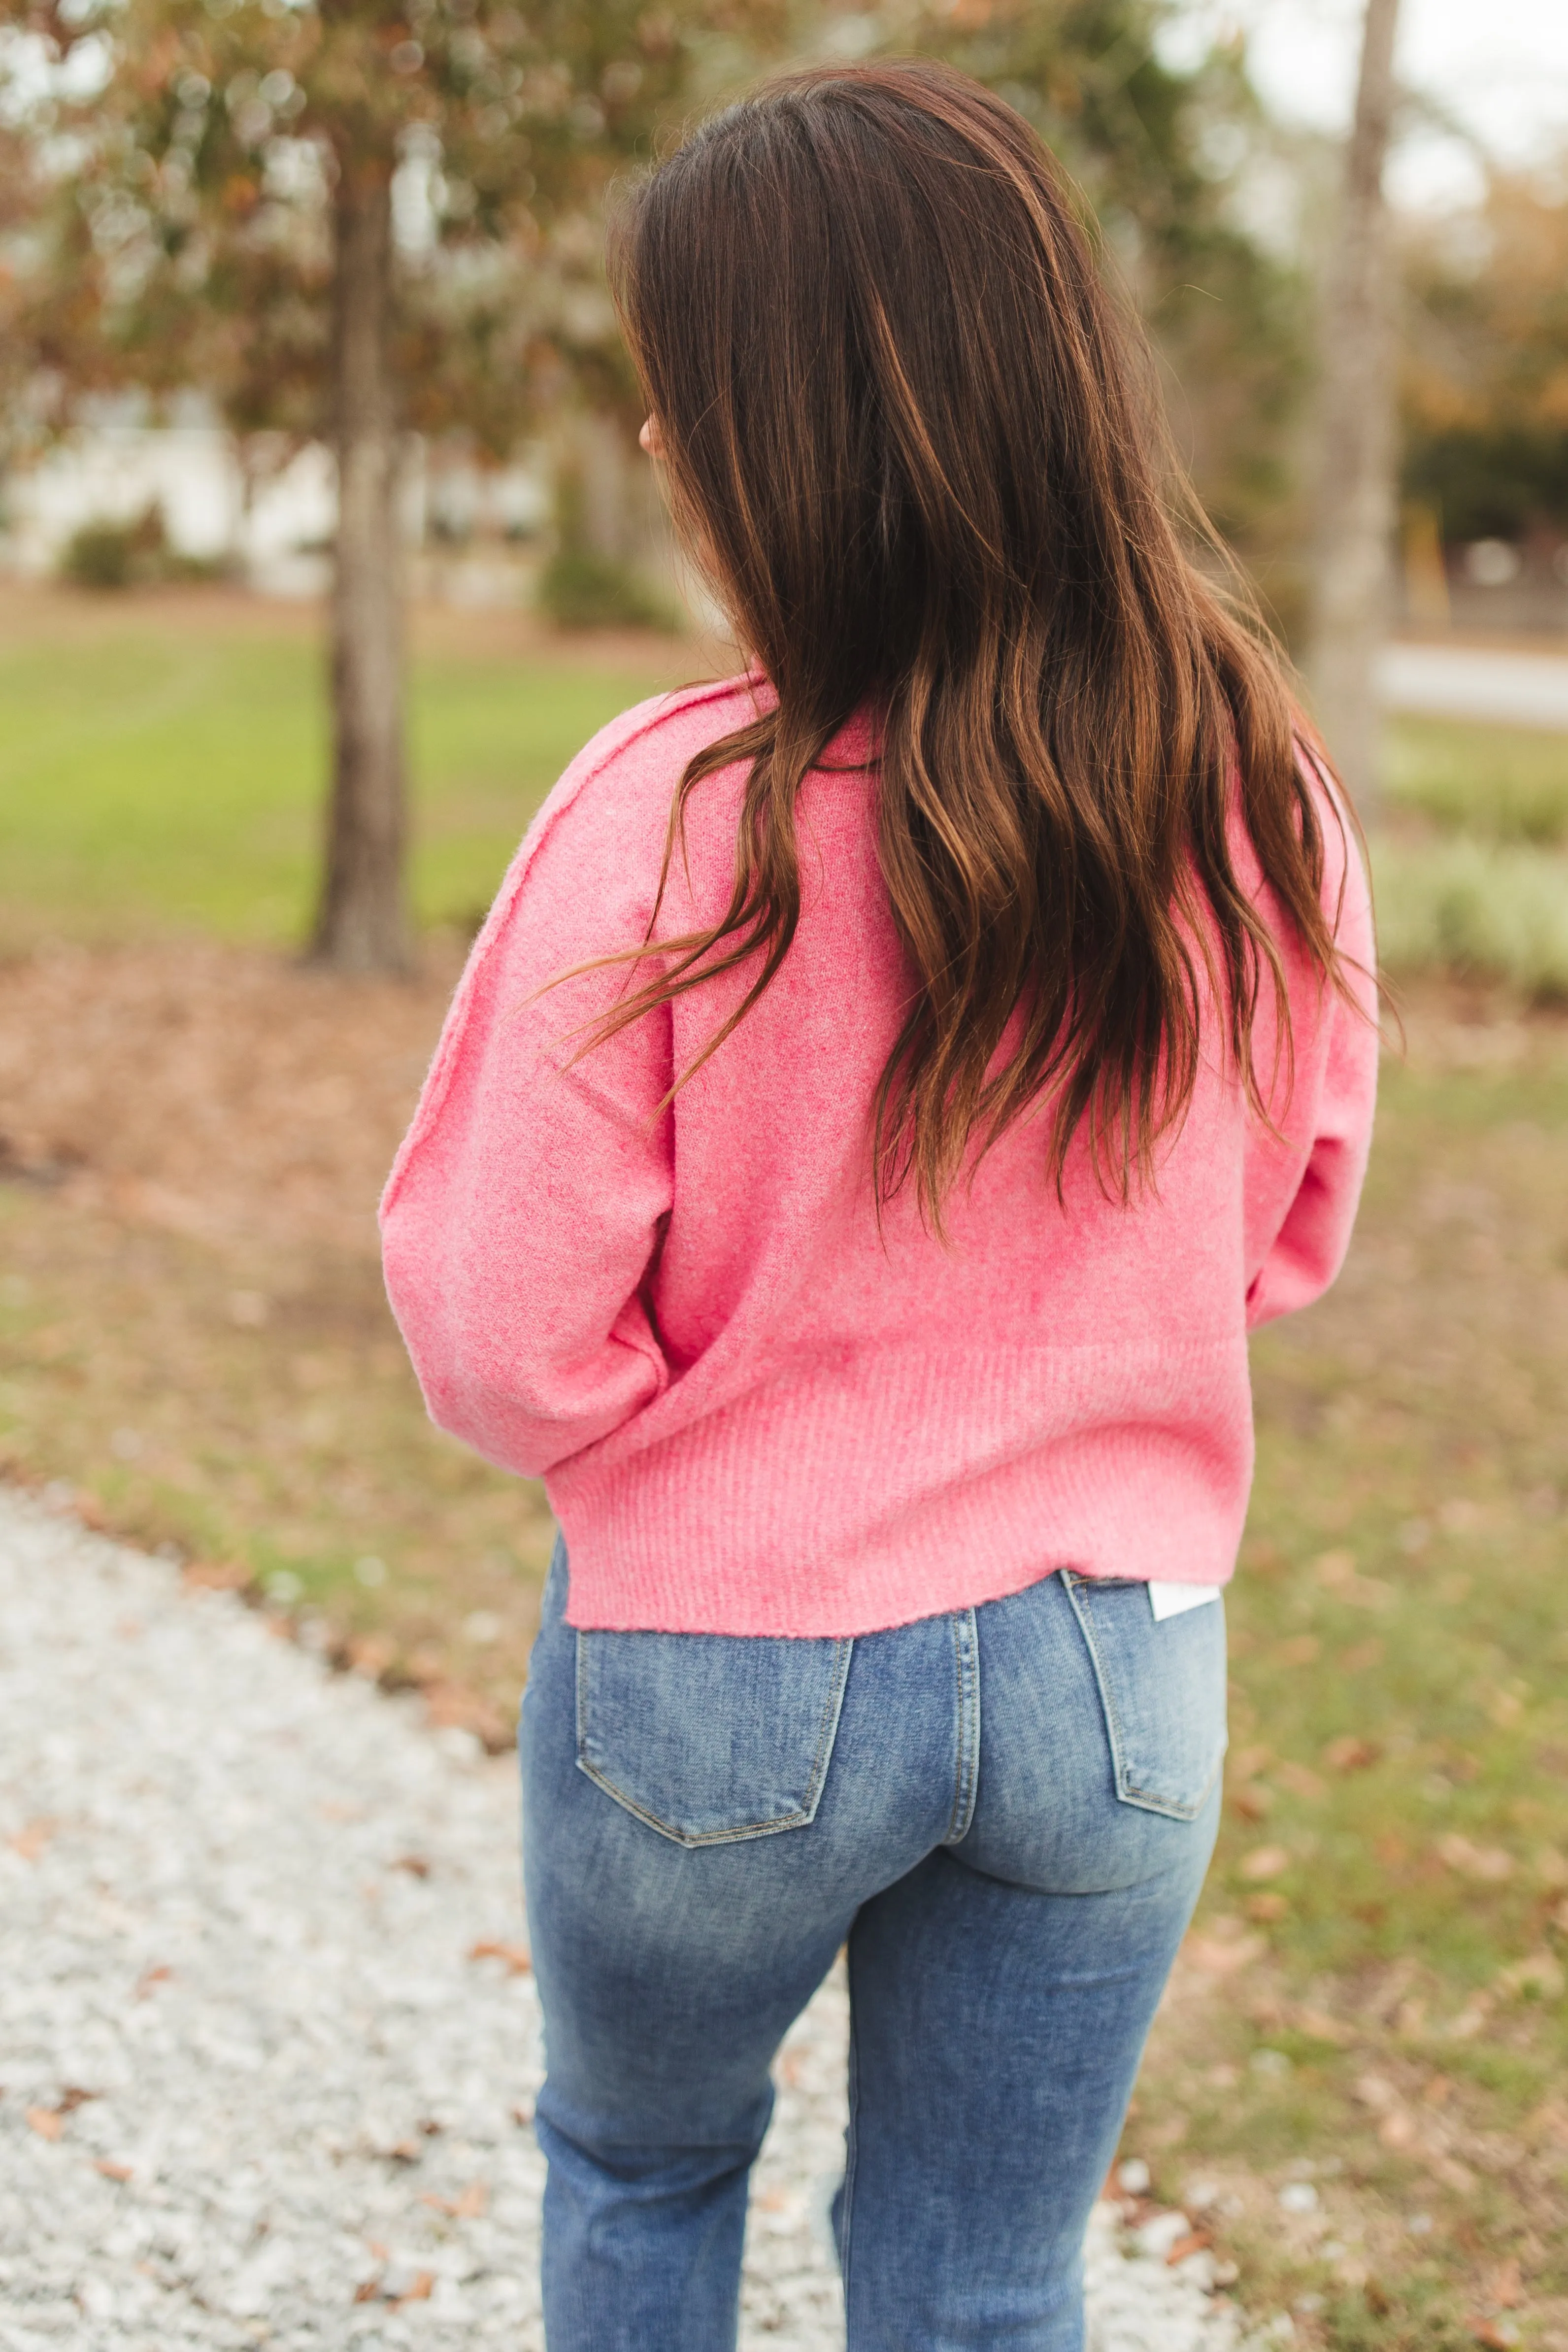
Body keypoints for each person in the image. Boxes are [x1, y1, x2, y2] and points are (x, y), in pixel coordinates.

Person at [381, 59, 1378, 2352]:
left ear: (798, 430)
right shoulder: (1253, 785)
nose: (655, 449)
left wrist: (708, 1433)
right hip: (1118, 1672)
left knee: (642, 2173)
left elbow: (498, 1322)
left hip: (725, 1667)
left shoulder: (675, 807)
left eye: (682, 398)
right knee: (987, 2282)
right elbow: (1286, 1223)